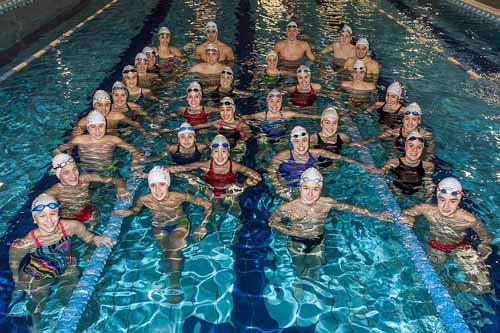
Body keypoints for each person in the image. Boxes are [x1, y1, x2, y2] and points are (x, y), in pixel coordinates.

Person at [269, 168, 391, 278]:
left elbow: (350, 207)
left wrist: (377, 215)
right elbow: (272, 222)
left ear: (320, 190)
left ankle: (313, 285)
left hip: (318, 240)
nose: (310, 194)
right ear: (300, 188)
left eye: (315, 189)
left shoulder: (327, 203)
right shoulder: (287, 207)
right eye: (306, 188)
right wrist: (289, 231)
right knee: (299, 265)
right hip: (296, 241)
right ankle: (299, 283)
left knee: (318, 265)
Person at [114, 167, 212, 301]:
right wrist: (128, 212)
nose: (157, 190)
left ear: (168, 184)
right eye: (153, 185)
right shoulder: (145, 199)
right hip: (159, 226)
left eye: (162, 184)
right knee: (165, 253)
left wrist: (202, 225)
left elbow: (207, 204)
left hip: (179, 223)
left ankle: (174, 284)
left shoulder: (179, 196)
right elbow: (136, 210)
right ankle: (171, 279)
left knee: (173, 250)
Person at [9, 194, 113, 315]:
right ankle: (35, 326)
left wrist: (97, 238)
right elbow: (14, 260)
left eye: (52, 214)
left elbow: (89, 237)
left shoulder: (72, 226)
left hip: (68, 265)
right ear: (34, 219)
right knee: (38, 304)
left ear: (58, 214)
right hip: (39, 273)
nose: (49, 220)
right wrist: (17, 279)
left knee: (70, 298)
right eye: (42, 216)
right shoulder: (29, 241)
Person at [399, 177, 492, 293]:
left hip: (460, 247)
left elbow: (486, 238)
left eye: (452, 201)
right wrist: (410, 217)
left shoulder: (469, 219)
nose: (446, 206)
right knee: (420, 280)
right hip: (435, 247)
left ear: (459, 201)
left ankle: (451, 287)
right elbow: (399, 214)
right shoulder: (426, 209)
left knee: (483, 286)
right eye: (442, 199)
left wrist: (483, 250)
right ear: (437, 197)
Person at [268, 126, 380, 199]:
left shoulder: (317, 152)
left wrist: (363, 166)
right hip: (288, 187)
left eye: (304, 141)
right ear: (292, 143)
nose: (301, 145)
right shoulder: (283, 155)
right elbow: (271, 169)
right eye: (297, 142)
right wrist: (277, 186)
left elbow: (341, 158)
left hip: (308, 186)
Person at [166, 135, 262, 198]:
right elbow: (182, 168)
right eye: (216, 151)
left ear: (228, 153)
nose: (220, 155)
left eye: (223, 151)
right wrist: (163, 170)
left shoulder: (235, 166)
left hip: (230, 193)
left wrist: (244, 185)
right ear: (212, 153)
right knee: (191, 178)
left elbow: (257, 177)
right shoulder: (205, 165)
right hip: (208, 191)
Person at [46, 153, 131, 223]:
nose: (73, 175)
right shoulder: (56, 190)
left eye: (74, 169)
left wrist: (121, 188)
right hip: (69, 219)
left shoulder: (85, 178)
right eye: (66, 172)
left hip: (88, 211)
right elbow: (37, 205)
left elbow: (114, 180)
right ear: (58, 175)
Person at [54, 111, 143, 173]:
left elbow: (134, 150)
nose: (97, 131)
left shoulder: (113, 139)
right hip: (85, 170)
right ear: (88, 128)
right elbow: (57, 150)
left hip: (107, 170)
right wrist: (64, 163)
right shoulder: (79, 140)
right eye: (93, 127)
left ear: (105, 126)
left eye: (101, 126)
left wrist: (135, 163)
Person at [353, 102, 434, 156]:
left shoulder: (427, 135)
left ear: (419, 121)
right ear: (402, 119)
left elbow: (430, 153)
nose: (410, 122)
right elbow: (375, 138)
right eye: (407, 118)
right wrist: (362, 143)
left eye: (414, 119)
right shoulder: (393, 132)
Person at [242, 90, 320, 137]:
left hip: (284, 139)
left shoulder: (288, 114)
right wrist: (245, 129)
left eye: (278, 101)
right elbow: (244, 117)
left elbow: (308, 116)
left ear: (281, 102)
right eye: (271, 101)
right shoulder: (260, 116)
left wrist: (323, 117)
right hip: (264, 138)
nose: (274, 105)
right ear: (267, 102)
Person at [72, 90, 149, 137]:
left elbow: (135, 123)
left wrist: (144, 132)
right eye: (100, 105)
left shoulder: (117, 116)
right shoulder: (84, 122)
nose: (104, 109)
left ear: (110, 105)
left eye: (107, 105)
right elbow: (74, 139)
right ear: (94, 105)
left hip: (115, 137)